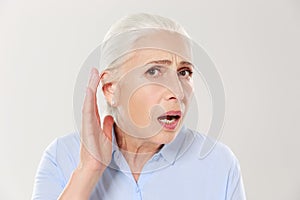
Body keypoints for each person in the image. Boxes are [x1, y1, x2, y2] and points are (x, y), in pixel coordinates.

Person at [32, 13, 246, 200]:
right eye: (154, 71)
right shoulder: (62, 156)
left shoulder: (219, 164)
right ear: (110, 89)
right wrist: (88, 171)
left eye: (184, 72)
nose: (178, 93)